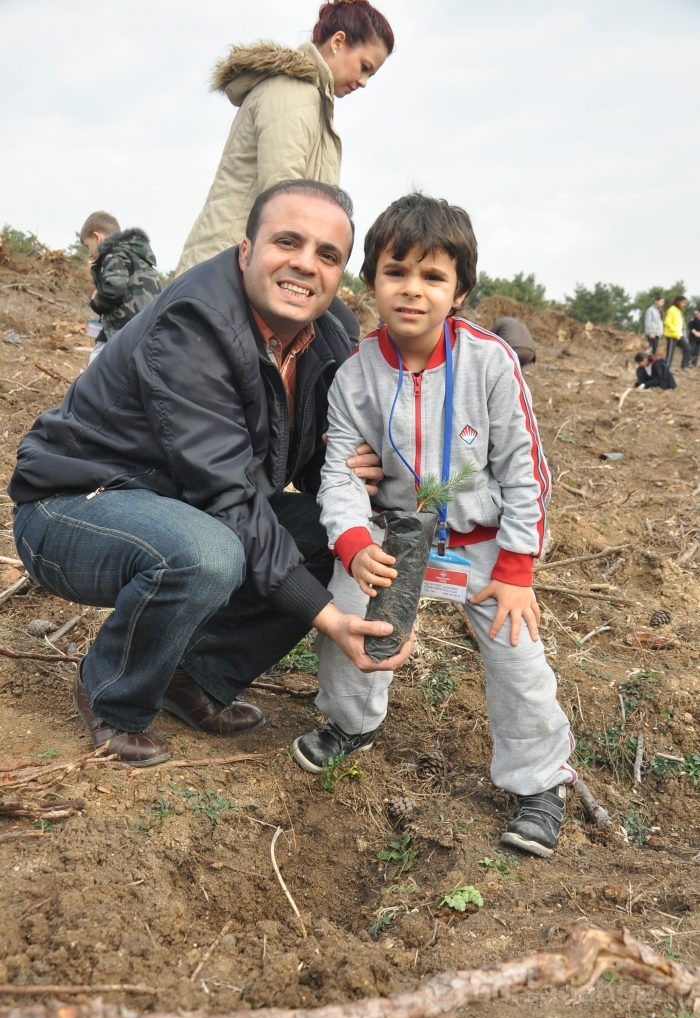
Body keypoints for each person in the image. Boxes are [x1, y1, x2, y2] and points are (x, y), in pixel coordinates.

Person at [9, 180, 411, 769]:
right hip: (74, 505)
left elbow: (297, 466)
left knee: (329, 534)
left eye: (327, 255)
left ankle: (192, 676)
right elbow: (230, 494)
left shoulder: (328, 335)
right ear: (246, 250)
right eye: (287, 242)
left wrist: (352, 464)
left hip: (180, 503)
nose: (305, 264)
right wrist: (326, 615)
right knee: (209, 552)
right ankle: (113, 694)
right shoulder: (194, 322)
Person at [290, 193, 576, 859]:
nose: (412, 290)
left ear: (460, 290)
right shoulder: (354, 374)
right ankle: (350, 724)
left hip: (484, 544)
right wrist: (354, 542)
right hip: (392, 534)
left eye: (433, 276)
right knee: (353, 615)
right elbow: (338, 473)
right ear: (371, 282)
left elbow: (525, 471)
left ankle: (538, 783)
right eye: (396, 272)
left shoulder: (489, 362)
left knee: (518, 656)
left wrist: (515, 570)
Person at [175, 0, 394, 343]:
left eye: (372, 74)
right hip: (231, 267)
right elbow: (284, 204)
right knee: (336, 333)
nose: (364, 81)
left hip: (262, 262)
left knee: (338, 330)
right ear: (337, 42)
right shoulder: (293, 94)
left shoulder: (314, 102)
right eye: (364, 66)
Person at [79, 211, 162, 363]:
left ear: (97, 237)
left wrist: (96, 301)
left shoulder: (113, 255)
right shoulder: (140, 257)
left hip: (121, 326)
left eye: (87, 246)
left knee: (96, 366)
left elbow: (114, 289)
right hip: (146, 326)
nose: (89, 253)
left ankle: (91, 387)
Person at [663, 294, 689, 370]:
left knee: (687, 349)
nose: (684, 304)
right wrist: (674, 330)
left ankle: (684, 367)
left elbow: (680, 322)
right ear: (678, 302)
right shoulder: (671, 309)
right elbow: (667, 322)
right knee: (670, 354)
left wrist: (682, 329)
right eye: (683, 302)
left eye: (685, 303)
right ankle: (666, 370)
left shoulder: (678, 311)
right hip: (672, 335)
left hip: (679, 335)